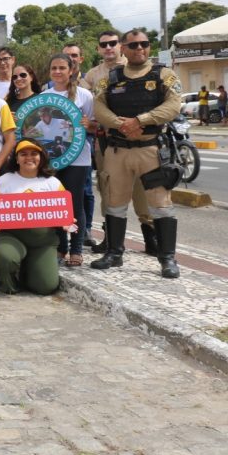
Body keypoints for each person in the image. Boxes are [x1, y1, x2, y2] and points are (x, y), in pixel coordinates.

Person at [91, 29, 183, 278]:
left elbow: (174, 105)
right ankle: (114, 253)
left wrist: (141, 120)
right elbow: (98, 107)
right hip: (118, 150)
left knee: (161, 205)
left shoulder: (164, 74)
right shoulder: (110, 78)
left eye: (144, 44)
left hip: (151, 149)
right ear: (124, 48)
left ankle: (167, 258)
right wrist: (120, 124)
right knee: (114, 203)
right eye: (133, 45)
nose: (139, 48)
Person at [82, 29, 159, 256]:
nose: (108, 48)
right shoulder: (93, 75)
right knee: (109, 189)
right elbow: (88, 105)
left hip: (144, 140)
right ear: (98, 48)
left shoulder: (142, 68)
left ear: (121, 46)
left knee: (145, 188)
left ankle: (151, 235)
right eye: (103, 44)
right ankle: (112, 239)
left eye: (113, 43)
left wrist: (138, 122)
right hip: (109, 141)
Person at [0, 140, 67, 295]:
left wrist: (67, 222)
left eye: (34, 154)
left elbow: (64, 213)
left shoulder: (53, 183)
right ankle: (9, 280)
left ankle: (27, 270)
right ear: (16, 159)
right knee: (5, 257)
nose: (29, 158)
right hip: (10, 237)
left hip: (42, 242)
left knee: (46, 287)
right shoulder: (4, 181)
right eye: (23, 154)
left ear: (42, 157)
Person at [43, 54, 95, 266]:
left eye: (62, 68)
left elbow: (95, 125)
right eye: (54, 68)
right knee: (55, 203)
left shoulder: (84, 95)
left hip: (77, 158)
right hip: (52, 159)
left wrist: (87, 124)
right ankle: (61, 247)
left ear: (71, 70)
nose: (57, 72)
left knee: (75, 205)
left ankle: (76, 248)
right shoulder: (44, 95)